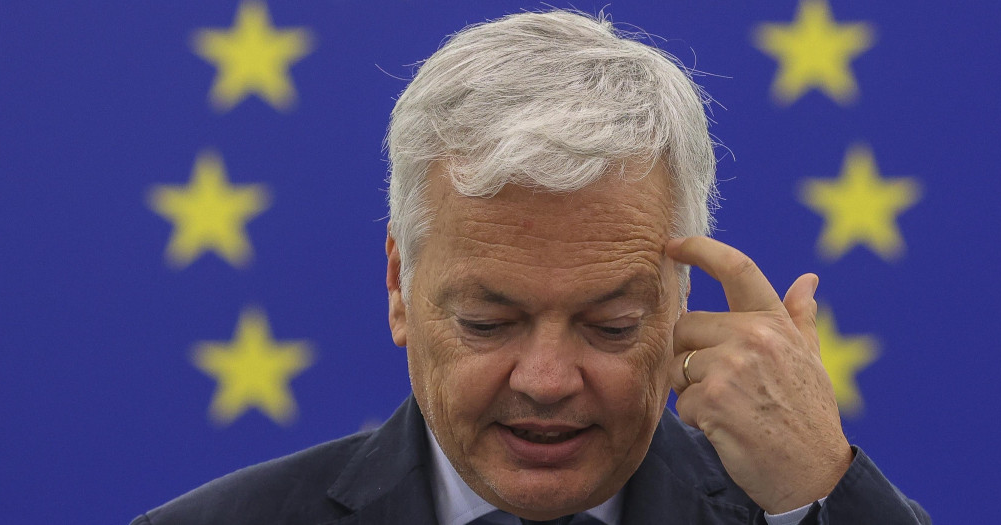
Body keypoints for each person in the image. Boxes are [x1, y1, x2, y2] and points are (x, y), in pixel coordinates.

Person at [132, 9, 929, 525]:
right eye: (489, 321)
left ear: (680, 302)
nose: (547, 379)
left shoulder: (797, 512)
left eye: (610, 323)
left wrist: (822, 489)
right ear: (399, 287)